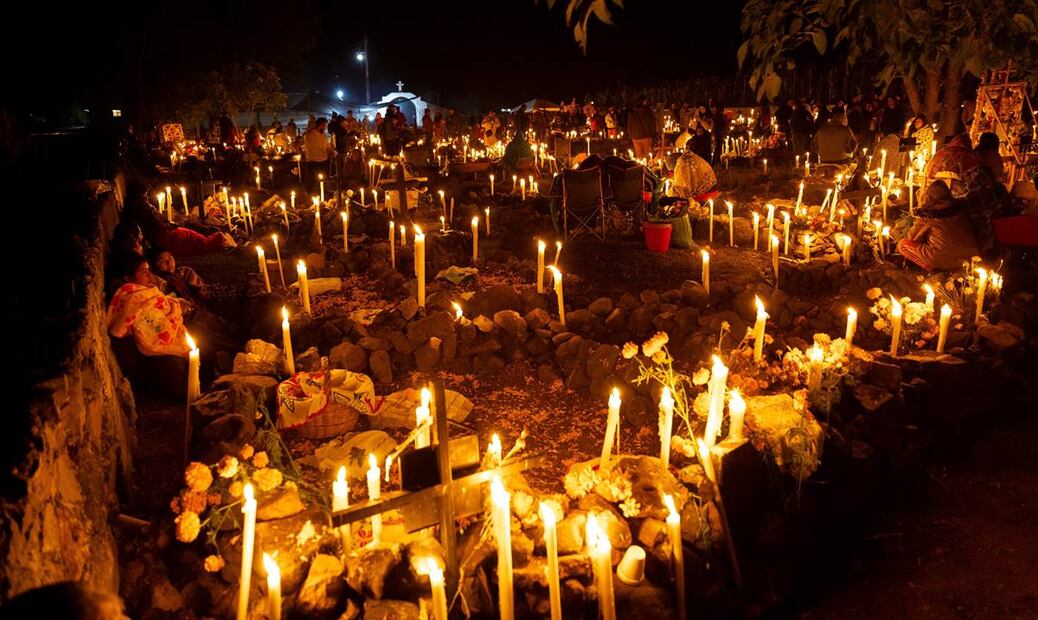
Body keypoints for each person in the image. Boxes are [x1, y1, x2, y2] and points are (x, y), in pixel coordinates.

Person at [107, 254, 190, 357]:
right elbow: (156, 330)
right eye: (144, 272)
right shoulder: (134, 298)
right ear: (128, 278)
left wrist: (173, 302)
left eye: (149, 271)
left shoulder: (150, 290)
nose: (150, 275)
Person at [897, 180, 979, 271]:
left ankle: (933, 269)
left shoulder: (928, 215)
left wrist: (921, 207)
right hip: (970, 256)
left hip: (945, 258)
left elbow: (912, 238)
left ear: (928, 196)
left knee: (902, 245)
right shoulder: (960, 207)